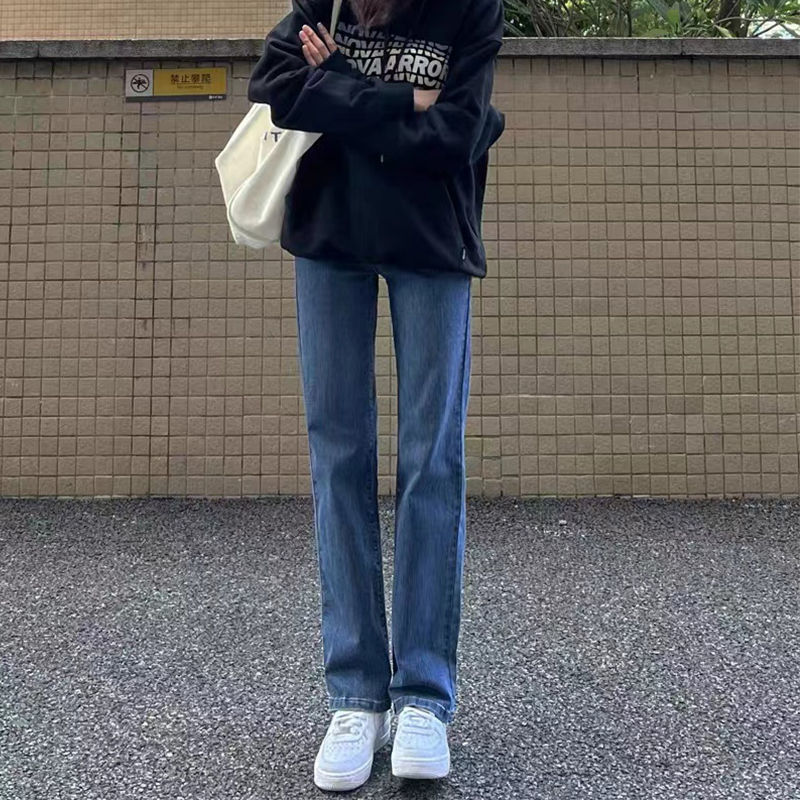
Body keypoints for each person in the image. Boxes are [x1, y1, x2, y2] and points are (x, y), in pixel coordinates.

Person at [247, 0, 505, 790]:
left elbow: (458, 131)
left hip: (432, 242)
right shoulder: (323, 2)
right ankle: (356, 696)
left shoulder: (470, 9)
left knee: (432, 461)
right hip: (331, 239)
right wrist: (399, 101)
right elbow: (275, 87)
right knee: (338, 456)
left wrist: (338, 88)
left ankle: (423, 696)